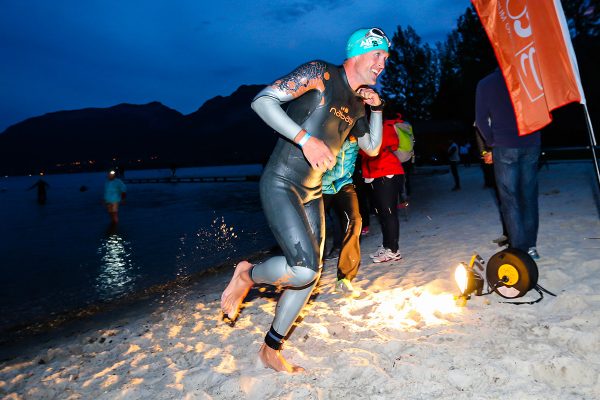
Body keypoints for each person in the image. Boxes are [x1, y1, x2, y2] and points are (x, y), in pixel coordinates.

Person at [220, 27, 389, 372]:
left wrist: (377, 109)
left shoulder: (359, 103)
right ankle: (246, 274)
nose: (382, 63)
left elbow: (371, 146)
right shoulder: (320, 73)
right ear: (357, 52)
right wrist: (305, 139)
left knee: (309, 276)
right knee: (304, 267)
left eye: (386, 57)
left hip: (313, 191)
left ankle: (271, 349)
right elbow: (262, 101)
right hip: (281, 182)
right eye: (377, 54)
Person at [475, 69, 541, 259]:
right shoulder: (529, 76)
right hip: (531, 143)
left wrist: (491, 142)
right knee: (529, 197)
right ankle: (531, 247)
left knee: (510, 200)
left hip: (505, 145)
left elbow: (480, 120)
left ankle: (520, 250)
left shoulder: (486, 83)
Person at [322, 135, 362, 298]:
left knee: (355, 220)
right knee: (314, 227)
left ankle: (344, 278)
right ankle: (306, 273)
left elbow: (373, 149)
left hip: (344, 183)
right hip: (322, 184)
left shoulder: (359, 130)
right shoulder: (335, 124)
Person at [362, 114, 405, 263]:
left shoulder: (385, 126)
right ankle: (387, 245)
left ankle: (394, 250)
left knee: (389, 212)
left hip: (387, 171)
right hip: (374, 173)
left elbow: (376, 148)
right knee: (381, 213)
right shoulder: (370, 127)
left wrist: (361, 145)